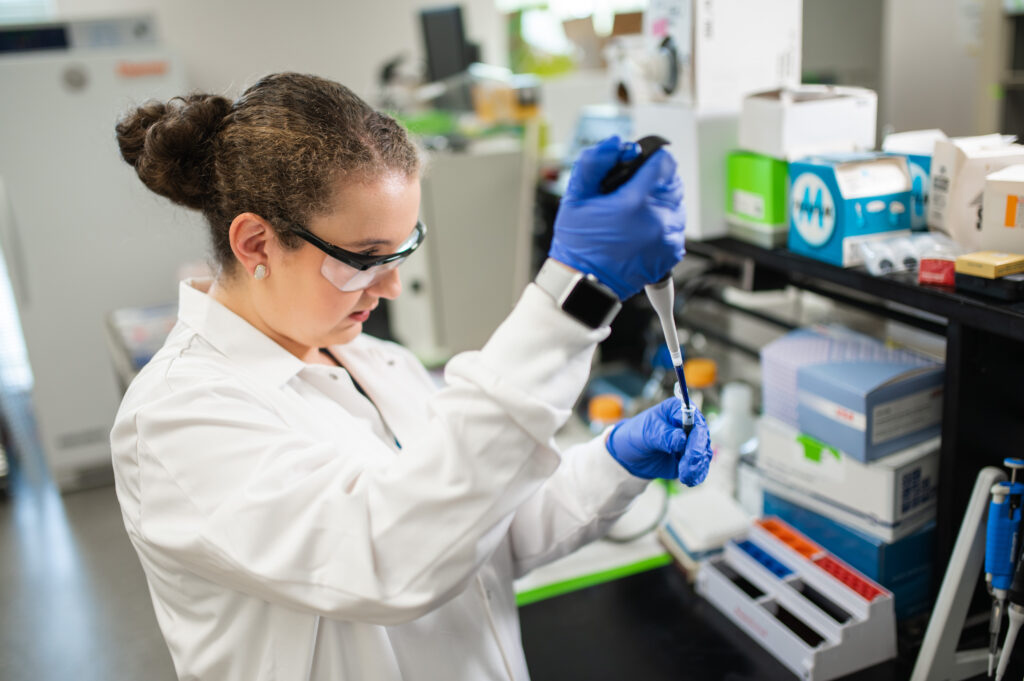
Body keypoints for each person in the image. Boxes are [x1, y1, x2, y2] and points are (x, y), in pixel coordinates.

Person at [110, 72, 712, 681]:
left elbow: (478, 536)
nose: (391, 286)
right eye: (367, 259)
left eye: (402, 250)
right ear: (257, 244)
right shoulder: (175, 419)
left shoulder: (375, 360)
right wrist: (571, 297)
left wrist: (612, 464)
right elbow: (389, 558)